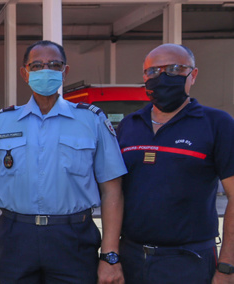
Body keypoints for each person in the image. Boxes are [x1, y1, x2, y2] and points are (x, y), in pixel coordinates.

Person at [0, 40, 127, 284]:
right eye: (37, 66)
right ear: (25, 73)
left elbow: (112, 190)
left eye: (54, 65)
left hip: (74, 239)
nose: (46, 71)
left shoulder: (91, 121)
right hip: (16, 238)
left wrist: (110, 255)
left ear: (65, 71)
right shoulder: (1, 123)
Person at [116, 43, 234, 283]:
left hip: (189, 261)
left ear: (193, 74)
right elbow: (114, 193)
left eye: (173, 69)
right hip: (131, 259)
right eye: (153, 71)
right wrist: (111, 257)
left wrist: (226, 266)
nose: (162, 77)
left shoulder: (217, 124)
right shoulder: (129, 125)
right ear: (144, 77)